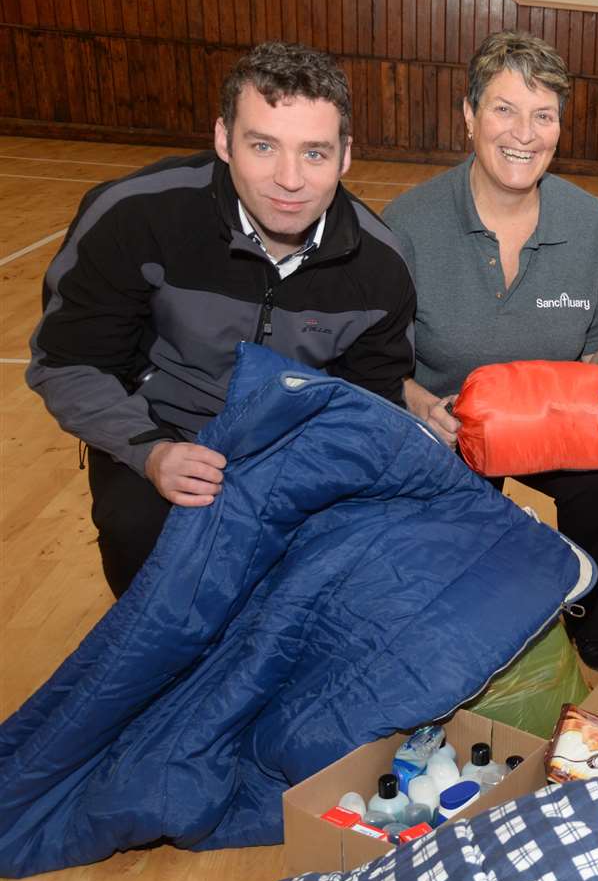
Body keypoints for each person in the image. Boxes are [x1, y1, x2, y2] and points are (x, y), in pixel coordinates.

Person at [28, 41, 416, 598]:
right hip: (155, 430)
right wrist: (150, 451)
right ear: (222, 139)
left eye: (314, 153)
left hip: (293, 450)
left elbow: (371, 405)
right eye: (263, 146)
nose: (289, 179)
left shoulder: (381, 267)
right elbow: (68, 363)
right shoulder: (134, 216)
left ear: (345, 154)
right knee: (139, 533)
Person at [384, 31, 598, 672]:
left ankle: (589, 623)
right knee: (443, 574)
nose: (523, 134)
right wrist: (419, 401)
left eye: (543, 115)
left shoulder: (590, 224)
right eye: (504, 109)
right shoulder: (408, 224)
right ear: (470, 116)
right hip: (447, 427)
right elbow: (374, 359)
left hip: (548, 422)